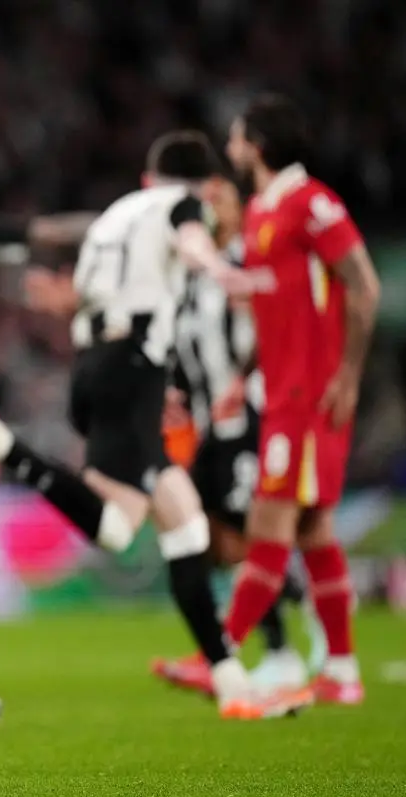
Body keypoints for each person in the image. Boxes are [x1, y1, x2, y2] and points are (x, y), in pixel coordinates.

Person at [0, 131, 305, 719]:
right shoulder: (182, 205)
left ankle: (233, 687)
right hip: (129, 372)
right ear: (195, 185)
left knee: (186, 527)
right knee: (119, 530)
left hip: (106, 369)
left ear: (147, 177)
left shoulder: (117, 215)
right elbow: (195, 241)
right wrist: (226, 275)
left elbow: (100, 296)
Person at [219, 94, 380, 706]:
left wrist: (349, 374)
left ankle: (221, 651)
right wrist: (242, 374)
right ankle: (340, 671)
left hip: (310, 391)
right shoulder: (264, 208)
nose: (231, 146)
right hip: (279, 386)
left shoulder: (313, 203)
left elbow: (364, 284)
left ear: (255, 144)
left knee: (270, 518)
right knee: (312, 527)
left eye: (236, 137)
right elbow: (277, 306)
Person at [150, 174, 318, 695]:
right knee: (208, 537)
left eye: (218, 202)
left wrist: (243, 380)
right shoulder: (194, 271)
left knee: (248, 534)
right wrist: (174, 389)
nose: (210, 212)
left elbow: (275, 326)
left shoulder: (247, 259)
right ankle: (296, 597)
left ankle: (281, 651)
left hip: (249, 414)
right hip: (209, 423)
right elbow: (188, 341)